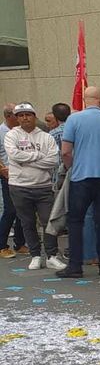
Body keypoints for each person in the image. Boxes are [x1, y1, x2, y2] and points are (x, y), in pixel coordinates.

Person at [57, 87, 100, 278]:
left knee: (76, 221)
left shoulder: (74, 119)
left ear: (85, 101)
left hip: (81, 177)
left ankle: (75, 265)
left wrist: (71, 167)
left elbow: (66, 151)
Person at [3, 103, 63, 270]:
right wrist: (38, 157)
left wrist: (27, 160)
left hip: (43, 187)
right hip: (19, 186)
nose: (24, 118)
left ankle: (51, 255)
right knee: (27, 222)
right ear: (16, 118)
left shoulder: (46, 137)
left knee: (48, 221)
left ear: (34, 116)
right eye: (20, 115)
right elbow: (14, 156)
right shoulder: (11, 135)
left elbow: (53, 161)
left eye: (28, 114)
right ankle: (35, 255)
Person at [0, 103, 28, 258]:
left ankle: (20, 243)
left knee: (21, 211)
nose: (21, 119)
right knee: (10, 210)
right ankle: (2, 245)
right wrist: (2, 169)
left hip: (22, 175)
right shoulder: (1, 132)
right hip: (7, 175)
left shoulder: (21, 132)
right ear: (9, 116)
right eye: (18, 115)